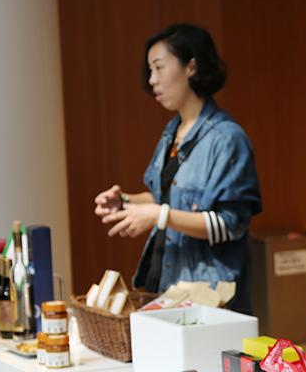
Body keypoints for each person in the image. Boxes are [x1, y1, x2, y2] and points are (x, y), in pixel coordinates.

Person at [94, 23, 261, 313]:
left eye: (159, 68)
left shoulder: (227, 138)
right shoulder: (173, 131)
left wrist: (160, 216)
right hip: (168, 283)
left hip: (210, 295)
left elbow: (230, 225)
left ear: (191, 67)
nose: (152, 80)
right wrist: (126, 203)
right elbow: (165, 197)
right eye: (149, 70)